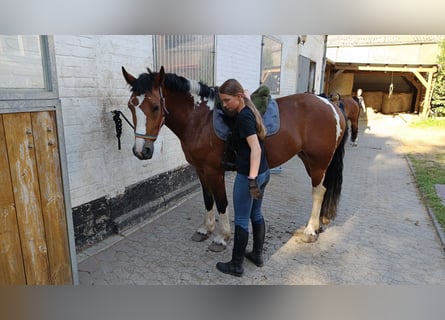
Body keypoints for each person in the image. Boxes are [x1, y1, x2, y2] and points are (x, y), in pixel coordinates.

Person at [216, 79, 270, 277]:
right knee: (255, 214)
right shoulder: (249, 108)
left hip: (250, 175)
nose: (224, 105)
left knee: (240, 219)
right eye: (222, 101)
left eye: (227, 100)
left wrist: (251, 179)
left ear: (238, 97)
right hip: (265, 172)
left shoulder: (244, 118)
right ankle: (257, 254)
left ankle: (236, 265)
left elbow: (255, 148)